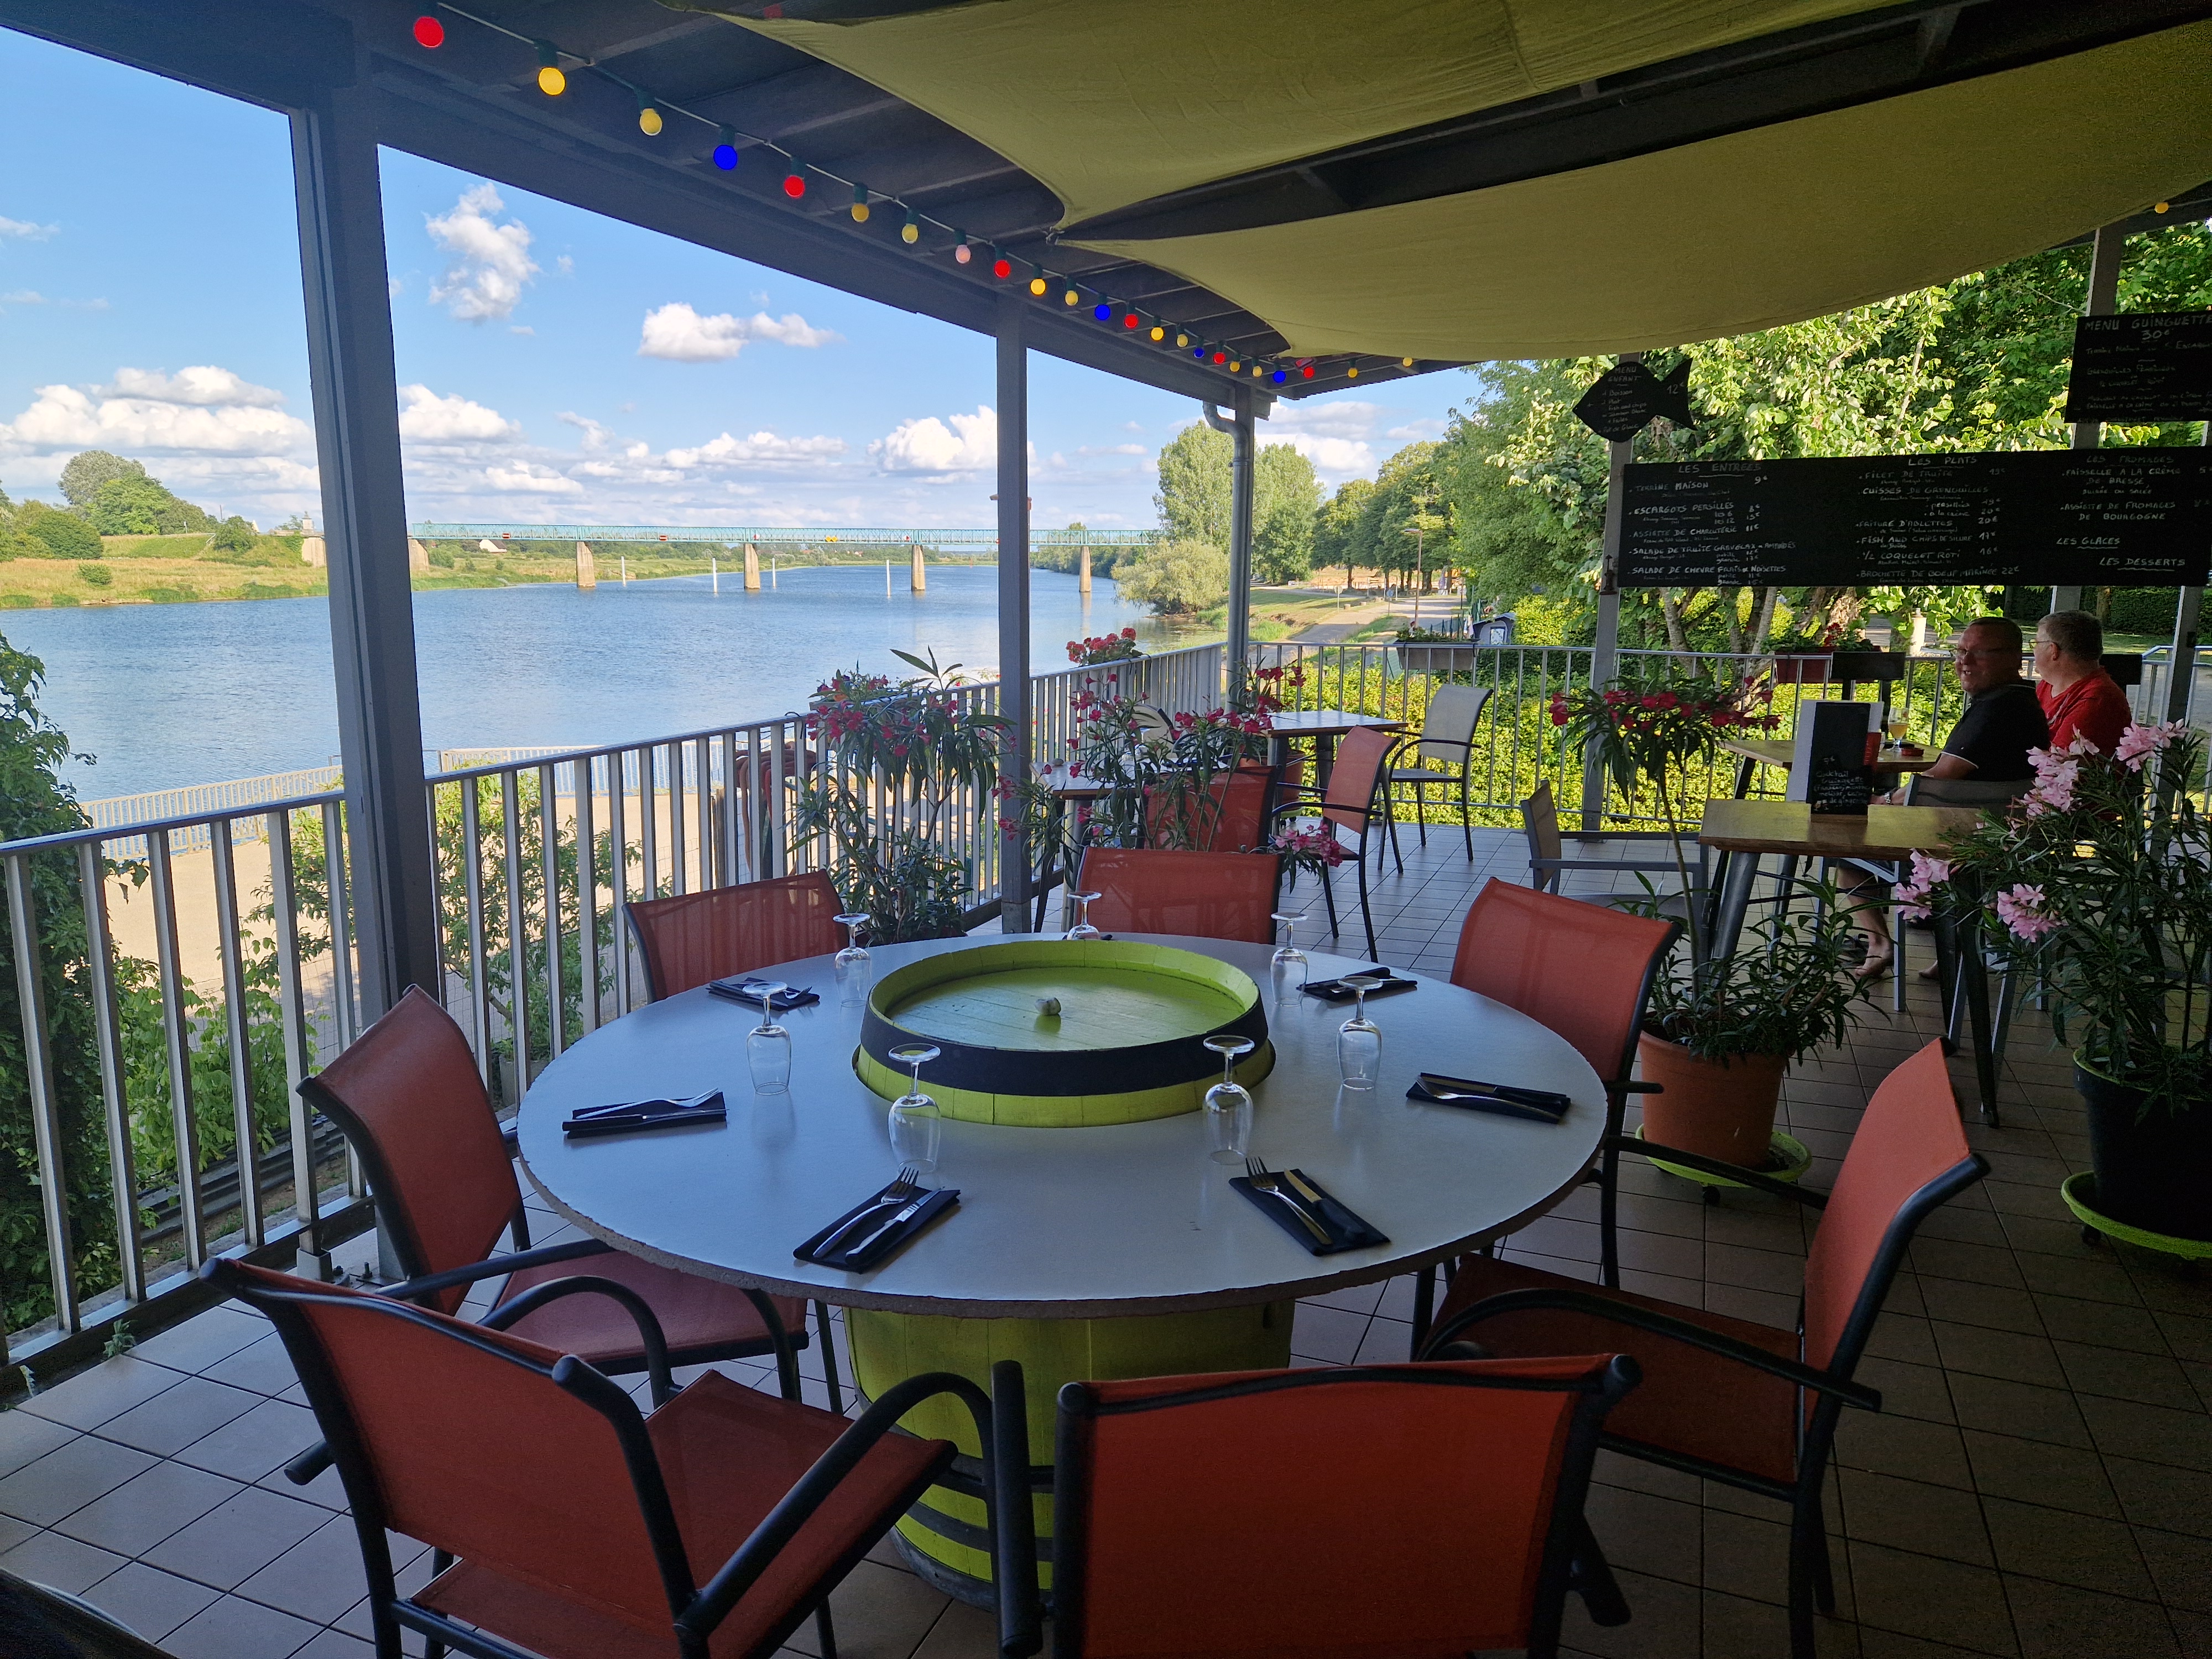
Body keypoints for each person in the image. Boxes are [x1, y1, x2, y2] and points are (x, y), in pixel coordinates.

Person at [1845, 616, 2049, 980]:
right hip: (2000, 848)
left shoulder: (1996, 710)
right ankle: (1957, 948)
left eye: (1980, 653)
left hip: (1949, 854)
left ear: (2015, 657)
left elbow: (1940, 778)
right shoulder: (2025, 704)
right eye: (1960, 651)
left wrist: (1884, 801)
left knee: (1848, 842)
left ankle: (1879, 944)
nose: (1964, 662)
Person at [2033, 609, 2131, 755]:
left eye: (2036, 643)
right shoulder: (2050, 684)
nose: (2034, 650)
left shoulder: (2097, 699)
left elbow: (2057, 762)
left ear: (2053, 650)